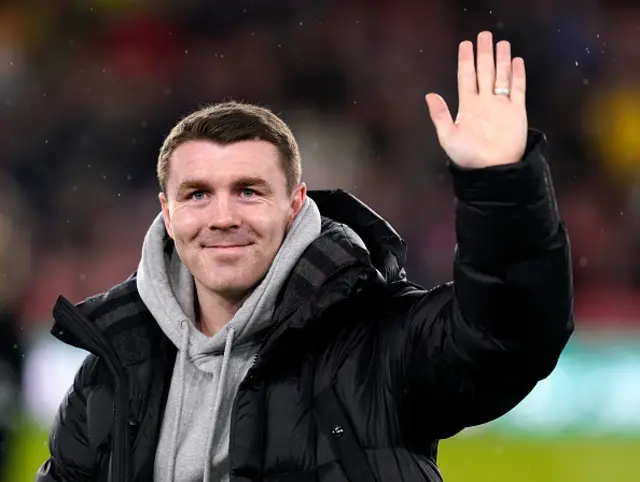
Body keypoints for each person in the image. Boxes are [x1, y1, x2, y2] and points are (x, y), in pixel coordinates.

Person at [36, 31, 573, 482]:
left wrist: (502, 185)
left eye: (248, 191)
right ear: (168, 212)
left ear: (295, 206)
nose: (223, 216)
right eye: (198, 193)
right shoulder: (111, 372)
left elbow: (508, 338)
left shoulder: (374, 340)